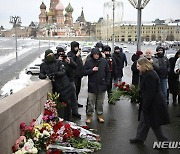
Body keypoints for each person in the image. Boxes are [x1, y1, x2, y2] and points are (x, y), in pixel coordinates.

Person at [130, 57, 170, 145]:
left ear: (144, 65)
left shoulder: (150, 75)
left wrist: (145, 105)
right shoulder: (146, 73)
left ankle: (164, 142)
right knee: (144, 121)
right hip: (151, 101)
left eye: (138, 66)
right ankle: (140, 138)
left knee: (154, 124)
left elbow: (150, 93)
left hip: (154, 103)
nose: (137, 68)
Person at [39, 49, 72, 121]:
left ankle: (69, 119)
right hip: (56, 88)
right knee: (59, 106)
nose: (50, 57)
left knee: (67, 104)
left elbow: (63, 71)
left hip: (64, 86)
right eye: (48, 56)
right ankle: (61, 120)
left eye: (51, 55)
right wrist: (44, 76)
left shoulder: (58, 62)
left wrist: (54, 74)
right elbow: (41, 74)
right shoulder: (43, 65)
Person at [84, 48, 111, 124]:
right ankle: (89, 116)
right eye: (94, 54)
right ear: (92, 55)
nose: (96, 56)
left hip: (102, 85)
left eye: (97, 54)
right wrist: (92, 70)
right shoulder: (89, 62)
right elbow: (84, 72)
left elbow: (108, 72)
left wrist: (107, 83)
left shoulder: (104, 61)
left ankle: (100, 115)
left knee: (100, 102)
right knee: (91, 102)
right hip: (92, 85)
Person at [67, 41, 83, 118]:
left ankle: (76, 102)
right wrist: (76, 56)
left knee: (78, 90)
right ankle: (73, 106)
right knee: (74, 91)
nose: (76, 48)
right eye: (75, 47)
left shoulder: (78, 54)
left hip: (79, 75)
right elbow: (70, 62)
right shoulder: (70, 54)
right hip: (73, 76)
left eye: (77, 47)